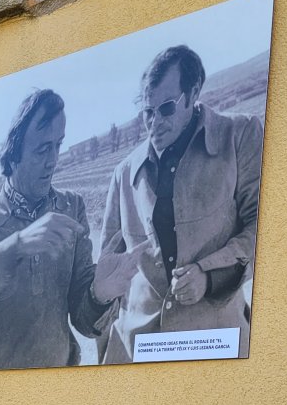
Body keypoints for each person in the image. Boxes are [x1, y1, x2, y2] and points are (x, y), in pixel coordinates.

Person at [94, 45, 265, 364]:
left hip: (214, 345)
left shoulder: (238, 136)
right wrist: (107, 358)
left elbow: (264, 228)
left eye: (167, 108)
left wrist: (209, 275)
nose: (155, 122)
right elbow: (109, 275)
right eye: (148, 112)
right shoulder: (124, 173)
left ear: (193, 93)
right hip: (137, 353)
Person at [0, 89, 106, 371]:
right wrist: (15, 247)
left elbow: (83, 321)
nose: (53, 160)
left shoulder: (71, 208)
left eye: (58, 145)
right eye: (42, 149)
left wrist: (101, 293)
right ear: (14, 154)